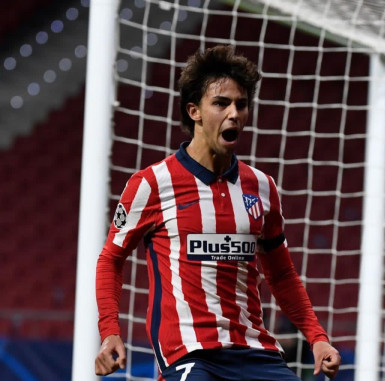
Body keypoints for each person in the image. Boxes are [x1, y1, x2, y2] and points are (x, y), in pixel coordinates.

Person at [94, 45, 341, 380]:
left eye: (241, 104)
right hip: (191, 356)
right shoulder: (152, 183)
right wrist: (110, 330)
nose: (234, 113)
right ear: (194, 111)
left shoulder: (262, 186)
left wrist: (317, 338)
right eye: (221, 103)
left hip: (257, 353)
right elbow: (111, 258)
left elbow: (281, 275)